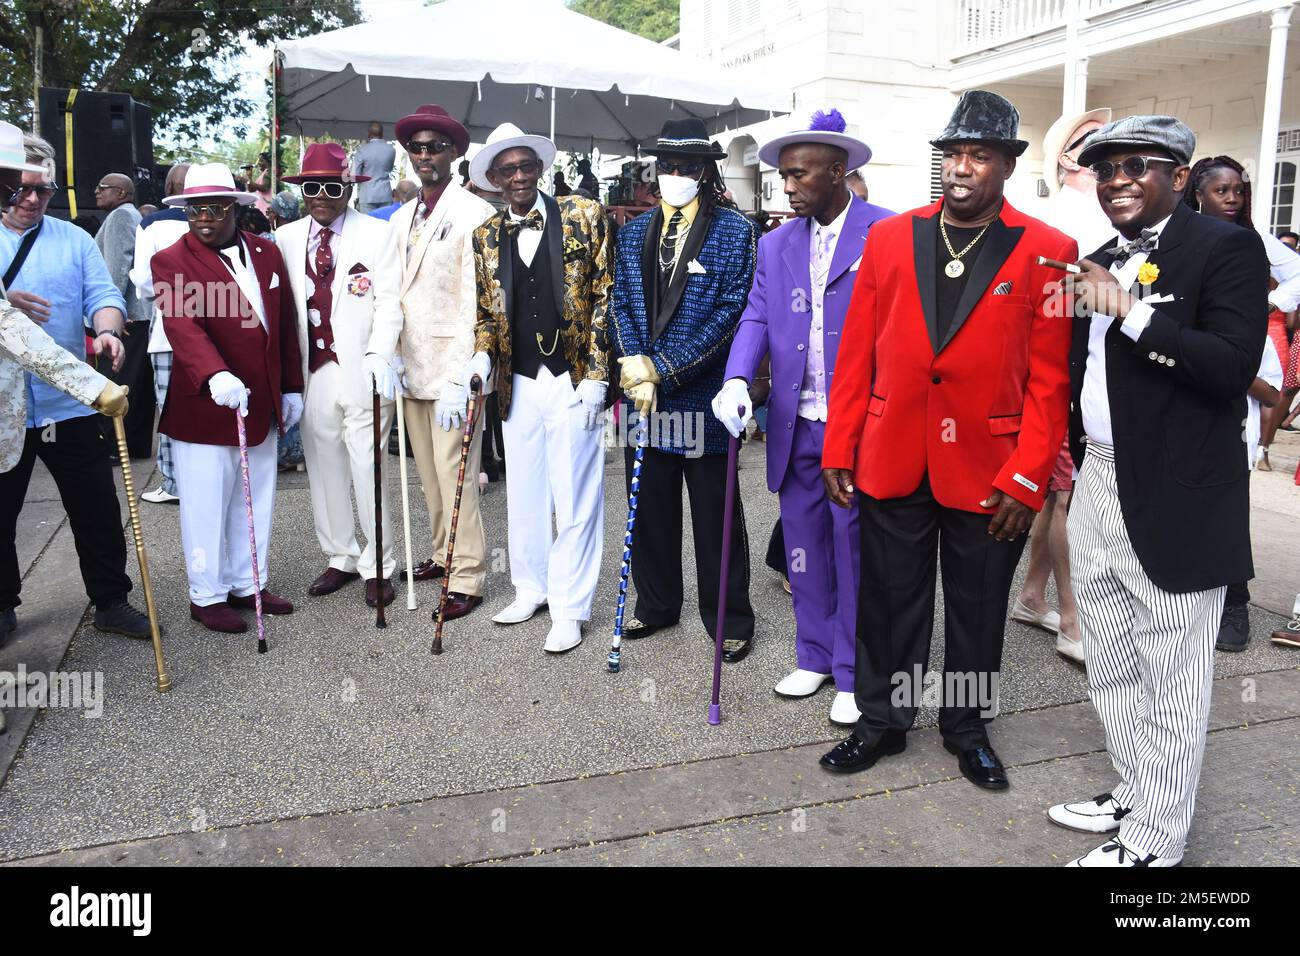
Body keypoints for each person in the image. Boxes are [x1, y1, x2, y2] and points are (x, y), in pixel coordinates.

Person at [819, 91, 1075, 789]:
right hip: (891, 453)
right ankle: (884, 722)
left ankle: (966, 729)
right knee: (890, 601)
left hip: (992, 469)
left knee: (977, 607)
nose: (962, 168)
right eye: (954, 154)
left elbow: (1051, 383)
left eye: (979, 155)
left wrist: (1027, 479)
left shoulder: (1051, 253)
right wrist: (840, 445)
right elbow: (857, 356)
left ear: (1006, 166)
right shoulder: (890, 236)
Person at [1044, 116, 1266, 867]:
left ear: (1179, 175)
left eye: (1138, 166)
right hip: (1100, 475)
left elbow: (1233, 367)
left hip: (1180, 489)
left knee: (1171, 668)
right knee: (1107, 652)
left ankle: (1155, 841)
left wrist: (1129, 311)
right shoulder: (1098, 259)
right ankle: (1139, 788)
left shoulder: (1226, 248)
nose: (1119, 179)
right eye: (1105, 169)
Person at [714, 108, 894, 724]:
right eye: (782, 177)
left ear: (838, 171)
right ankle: (813, 655)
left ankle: (851, 670)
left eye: (797, 175)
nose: (786, 187)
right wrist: (738, 377)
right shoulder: (776, 242)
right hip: (795, 418)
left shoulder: (887, 231)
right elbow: (759, 316)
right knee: (803, 546)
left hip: (858, 424)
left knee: (853, 548)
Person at [609, 117, 759, 663]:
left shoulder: (735, 232)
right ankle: (656, 604)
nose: (676, 174)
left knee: (715, 514)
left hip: (700, 395)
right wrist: (632, 365)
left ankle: (730, 618)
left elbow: (730, 316)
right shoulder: (630, 233)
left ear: (706, 170)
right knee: (648, 503)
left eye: (688, 166)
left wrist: (661, 369)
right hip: (641, 395)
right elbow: (620, 303)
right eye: (668, 165)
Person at [465, 122, 611, 653]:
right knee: (524, 493)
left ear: (541, 169)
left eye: (527, 166)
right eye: (508, 170)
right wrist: (481, 354)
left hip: (573, 379)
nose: (520, 176)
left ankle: (570, 607)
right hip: (516, 382)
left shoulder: (584, 214)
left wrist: (598, 373)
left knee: (575, 496)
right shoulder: (484, 236)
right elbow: (487, 312)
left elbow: (605, 297)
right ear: (495, 179)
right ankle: (530, 587)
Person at [0, 128, 152, 641]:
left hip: (71, 401)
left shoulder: (73, 238)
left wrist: (108, 330)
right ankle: (2, 604)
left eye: (42, 189)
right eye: (21, 188)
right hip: (5, 409)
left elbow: (103, 294)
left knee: (97, 509)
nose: (32, 199)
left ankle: (110, 599)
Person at [151, 163, 304, 634]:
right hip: (206, 405)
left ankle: (248, 582)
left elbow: (283, 325)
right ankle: (206, 594)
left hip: (260, 404)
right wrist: (214, 373)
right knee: (205, 502)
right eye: (196, 209)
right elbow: (182, 325)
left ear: (235, 210)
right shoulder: (171, 260)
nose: (205, 219)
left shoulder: (266, 252)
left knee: (256, 497)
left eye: (216, 208)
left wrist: (292, 385)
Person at [276, 143, 403, 609]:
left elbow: (390, 301)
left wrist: (380, 353)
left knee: (367, 465)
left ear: (348, 187)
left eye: (332, 187)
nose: (322, 196)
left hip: (361, 368)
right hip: (313, 373)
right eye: (313, 188)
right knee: (323, 465)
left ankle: (379, 563)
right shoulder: (285, 238)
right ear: (303, 191)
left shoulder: (377, 233)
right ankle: (341, 555)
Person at [1013, 108, 1114, 664]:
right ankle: (1073, 619)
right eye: (1092, 141)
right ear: (1068, 158)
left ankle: (1032, 595)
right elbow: (1049, 314)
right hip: (1065, 380)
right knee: (1066, 496)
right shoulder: (1059, 221)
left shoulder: (1116, 212)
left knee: (1061, 495)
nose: (1108, 148)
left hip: (1105, 375)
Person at [1182, 154, 1293, 651]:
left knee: (1226, 509)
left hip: (1232, 401)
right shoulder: (1171, 240)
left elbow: (1264, 383)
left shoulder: (1249, 245)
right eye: (1221, 191)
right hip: (1180, 396)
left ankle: (1234, 606)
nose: (1232, 200)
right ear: (1196, 192)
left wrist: (1272, 305)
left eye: (1238, 191)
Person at [389, 104, 496, 620]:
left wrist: (463, 376)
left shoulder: (474, 213)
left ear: (455, 154)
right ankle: (441, 554)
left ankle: (469, 574)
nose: (425, 155)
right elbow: (395, 290)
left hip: (453, 370)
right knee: (428, 471)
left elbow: (478, 302)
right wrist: (383, 352)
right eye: (417, 147)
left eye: (435, 146)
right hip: (411, 365)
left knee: (457, 473)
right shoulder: (406, 213)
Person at [129, 163, 190, 505]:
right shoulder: (223, 220)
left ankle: (174, 482)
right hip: (214, 327)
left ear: (167, 187)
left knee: (169, 408)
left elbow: (144, 281)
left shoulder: (151, 224)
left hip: (167, 329)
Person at [93, 172, 154, 460]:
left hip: (127, 316)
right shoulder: (129, 216)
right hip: (138, 314)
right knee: (138, 384)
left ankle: (115, 446)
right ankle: (135, 446)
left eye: (102, 187)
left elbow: (117, 265)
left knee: (116, 380)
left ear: (121, 192)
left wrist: (113, 310)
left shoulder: (120, 217)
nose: (96, 191)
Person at [352, 122, 396, 214]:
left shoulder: (362, 149)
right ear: (382, 134)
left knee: (367, 225)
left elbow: (354, 175)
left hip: (367, 195)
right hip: (385, 194)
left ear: (369, 134)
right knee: (384, 225)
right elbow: (390, 169)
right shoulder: (391, 149)